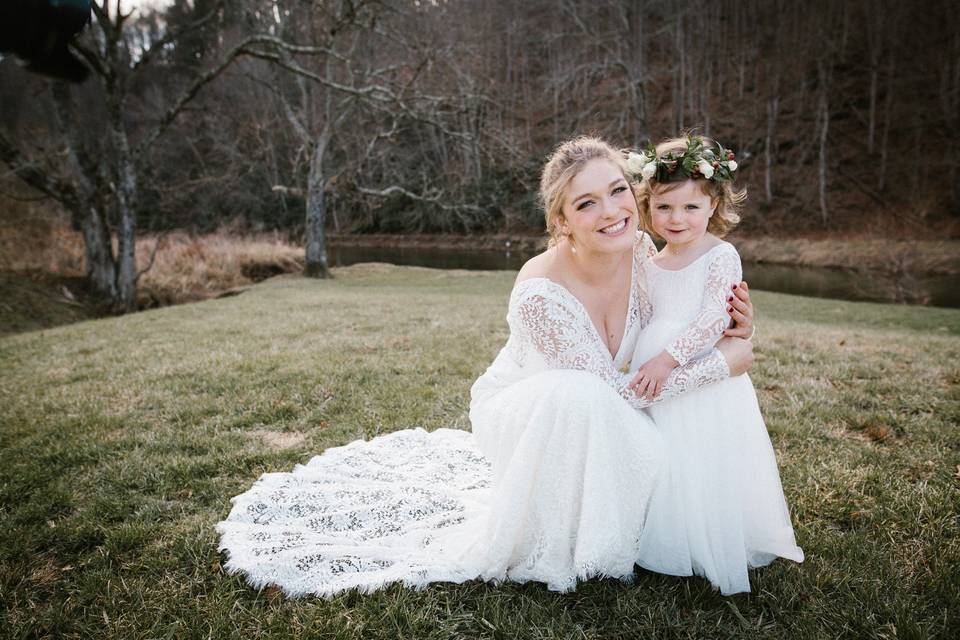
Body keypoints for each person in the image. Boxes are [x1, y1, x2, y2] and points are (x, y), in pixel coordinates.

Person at [215, 136, 756, 597]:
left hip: (615, 402)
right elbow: (613, 395)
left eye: (618, 191)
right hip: (539, 409)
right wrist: (723, 366)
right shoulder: (541, 292)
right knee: (579, 394)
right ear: (561, 221)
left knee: (635, 436)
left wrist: (738, 327)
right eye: (586, 204)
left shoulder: (643, 250)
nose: (611, 212)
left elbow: (691, 311)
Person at [625, 135, 804, 594]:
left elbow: (712, 319)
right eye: (664, 208)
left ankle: (713, 537)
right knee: (666, 456)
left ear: (713, 205)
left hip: (699, 372)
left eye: (690, 208)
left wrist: (668, 359)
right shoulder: (648, 260)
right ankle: (665, 534)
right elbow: (643, 314)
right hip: (653, 369)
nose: (676, 219)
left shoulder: (720, 255)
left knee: (705, 455)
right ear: (648, 206)